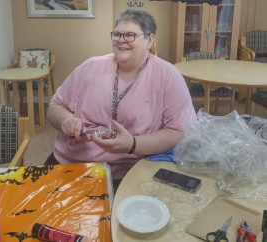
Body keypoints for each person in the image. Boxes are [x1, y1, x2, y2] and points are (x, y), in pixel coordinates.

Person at [46, 9, 196, 185]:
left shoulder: (167, 75)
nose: (121, 40)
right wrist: (67, 120)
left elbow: (180, 131)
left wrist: (133, 144)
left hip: (128, 173)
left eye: (130, 35)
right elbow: (54, 107)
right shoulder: (90, 66)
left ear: (150, 40)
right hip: (70, 163)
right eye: (117, 34)